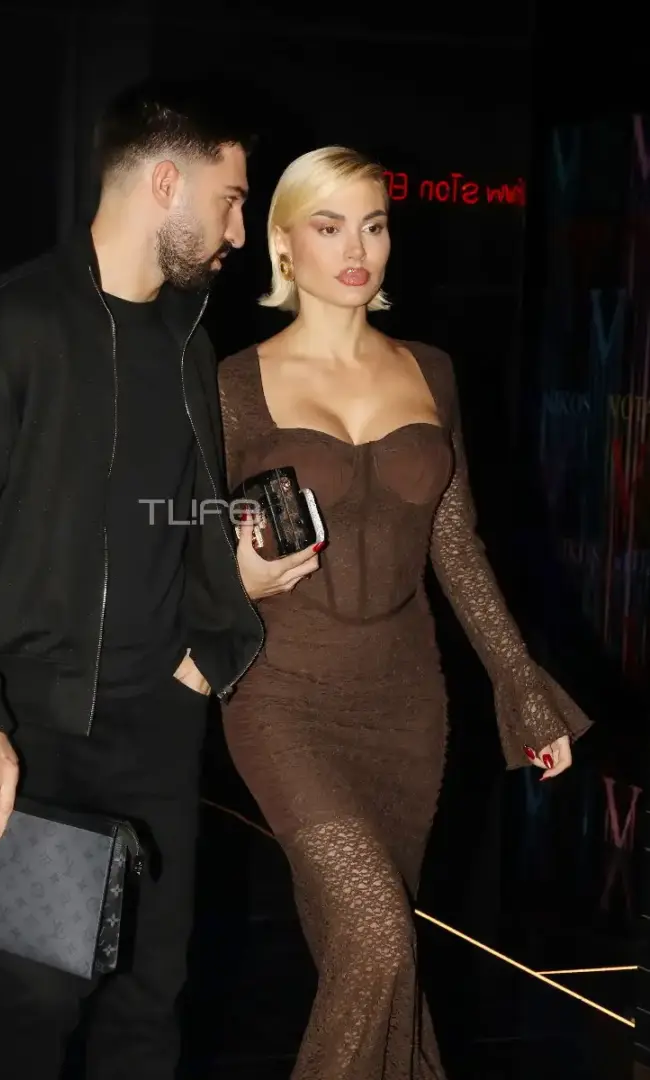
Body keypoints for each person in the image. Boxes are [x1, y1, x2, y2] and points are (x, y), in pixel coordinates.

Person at [0, 81, 312, 1080]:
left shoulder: (188, 341)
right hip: (34, 735)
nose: (240, 232)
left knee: (149, 1007)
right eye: (230, 199)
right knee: (32, 1008)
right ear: (165, 183)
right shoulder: (9, 326)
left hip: (160, 728)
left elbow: (180, 517)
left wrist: (225, 613)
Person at [218, 146, 593, 1079]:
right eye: (329, 226)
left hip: (406, 706)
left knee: (368, 962)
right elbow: (172, 531)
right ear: (284, 245)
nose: (357, 250)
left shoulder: (431, 371)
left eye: (375, 225)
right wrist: (228, 581)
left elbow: (456, 547)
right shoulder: (231, 383)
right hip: (283, 697)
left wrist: (521, 686)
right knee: (380, 936)